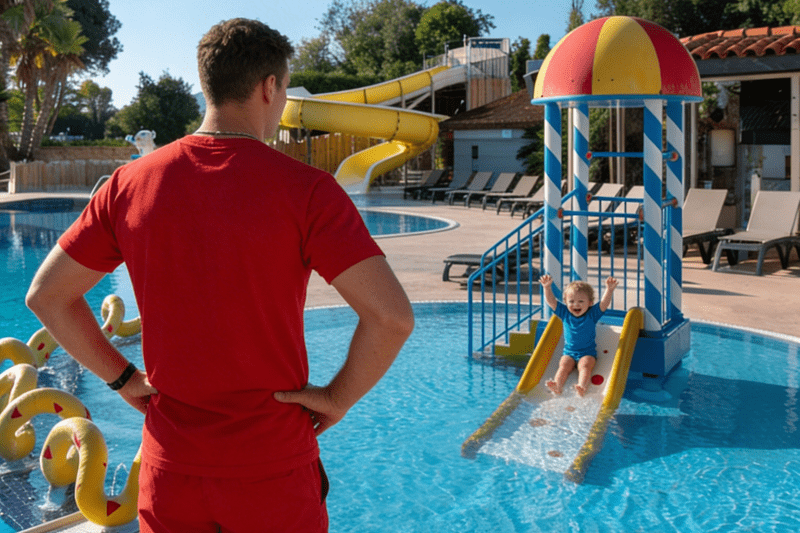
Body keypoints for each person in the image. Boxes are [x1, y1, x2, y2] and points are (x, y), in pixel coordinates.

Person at [26, 18, 414, 533]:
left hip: (171, 469)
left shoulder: (128, 185)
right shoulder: (308, 191)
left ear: (207, 83)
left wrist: (122, 378)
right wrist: (337, 397)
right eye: (283, 91)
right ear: (269, 87)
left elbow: (47, 296)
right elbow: (391, 318)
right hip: (272, 469)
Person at [539, 274, 618, 397]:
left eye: (581, 301)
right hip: (569, 352)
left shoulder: (592, 314)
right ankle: (557, 386)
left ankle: (582, 387)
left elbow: (604, 303)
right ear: (565, 302)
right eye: (571, 301)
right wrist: (547, 287)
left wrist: (609, 289)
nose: (576, 304)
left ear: (590, 303)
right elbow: (551, 301)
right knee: (563, 366)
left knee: (585, 366)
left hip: (587, 353)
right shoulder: (564, 313)